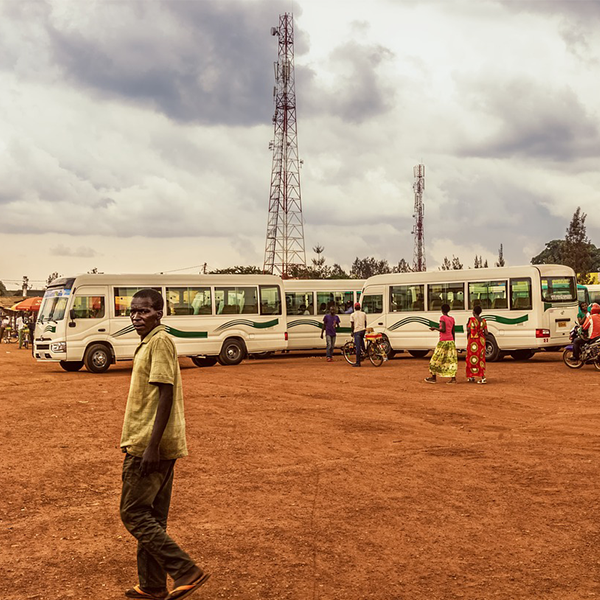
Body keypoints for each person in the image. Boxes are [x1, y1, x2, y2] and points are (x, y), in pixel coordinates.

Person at [120, 289, 209, 600]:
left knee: (133, 514)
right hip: (155, 442)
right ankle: (152, 585)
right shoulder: (151, 342)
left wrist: (151, 446)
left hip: (148, 443)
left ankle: (185, 570)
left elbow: (166, 393)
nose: (136, 317)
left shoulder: (159, 341)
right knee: (153, 516)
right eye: (133, 311)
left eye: (144, 311)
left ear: (159, 313)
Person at [425, 303, 457, 384]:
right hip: (451, 341)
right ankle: (453, 379)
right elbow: (453, 332)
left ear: (442, 310)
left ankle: (433, 377)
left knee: (435, 359)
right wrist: (453, 341)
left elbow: (443, 330)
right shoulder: (452, 319)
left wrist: (435, 328)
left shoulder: (442, 318)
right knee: (451, 360)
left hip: (443, 341)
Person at [466, 305, 487, 384]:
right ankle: (483, 377)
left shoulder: (471, 320)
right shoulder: (484, 320)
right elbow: (486, 332)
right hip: (481, 341)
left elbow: (468, 330)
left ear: (473, 312)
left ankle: (471, 376)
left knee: (471, 359)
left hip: (473, 341)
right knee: (480, 359)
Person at [350, 302, 367, 367]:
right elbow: (365, 322)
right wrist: (364, 328)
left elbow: (352, 325)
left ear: (354, 307)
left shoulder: (352, 315)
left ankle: (358, 362)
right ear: (360, 307)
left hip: (357, 331)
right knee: (361, 342)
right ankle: (363, 353)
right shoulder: (363, 314)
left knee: (357, 347)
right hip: (363, 330)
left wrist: (352, 332)